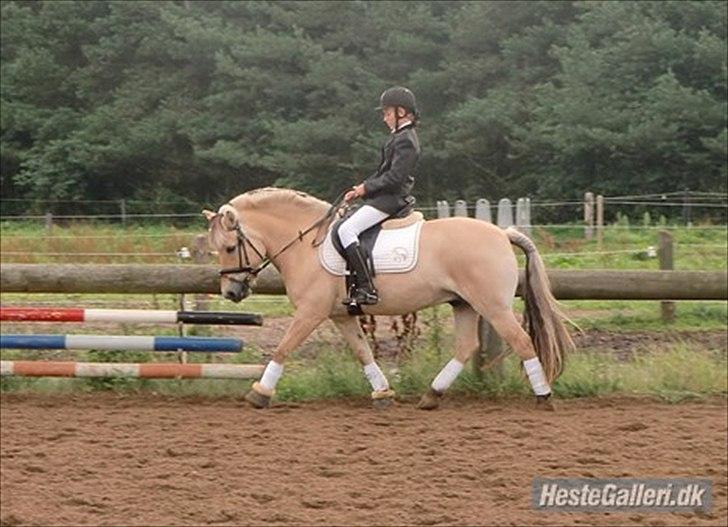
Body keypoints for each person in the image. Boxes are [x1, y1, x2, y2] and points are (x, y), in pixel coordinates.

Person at [338, 86, 421, 306]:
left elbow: (395, 177)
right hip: (384, 196)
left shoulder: (406, 140)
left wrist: (367, 189)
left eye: (387, 113)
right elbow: (383, 172)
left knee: (347, 230)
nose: (384, 118)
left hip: (391, 200)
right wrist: (362, 187)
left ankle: (366, 288)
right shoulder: (399, 137)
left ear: (400, 112)